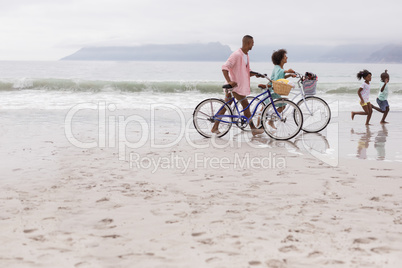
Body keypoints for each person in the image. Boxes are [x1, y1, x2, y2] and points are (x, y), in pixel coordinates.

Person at [211, 35, 264, 135]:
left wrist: (257, 74)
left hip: (235, 86)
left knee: (226, 106)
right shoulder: (236, 55)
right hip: (234, 87)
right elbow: (224, 67)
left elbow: (246, 71)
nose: (253, 44)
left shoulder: (245, 55)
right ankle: (253, 129)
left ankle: (215, 127)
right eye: (252, 43)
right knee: (245, 105)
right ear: (248, 43)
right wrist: (229, 81)